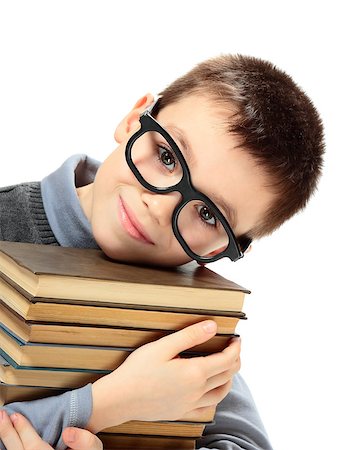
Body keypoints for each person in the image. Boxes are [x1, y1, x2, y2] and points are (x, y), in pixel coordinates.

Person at [0, 54, 324, 450]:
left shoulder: (189, 311)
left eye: (207, 213)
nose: (159, 205)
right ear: (135, 119)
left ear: (226, 247)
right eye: (167, 156)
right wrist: (107, 405)